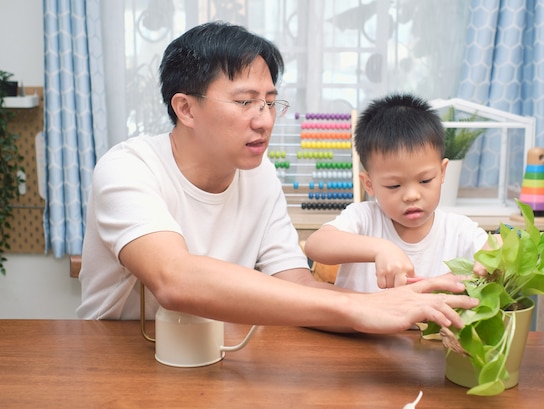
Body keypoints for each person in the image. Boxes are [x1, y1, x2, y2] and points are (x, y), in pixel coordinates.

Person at [76, 22, 477, 334]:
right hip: (120, 353)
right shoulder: (128, 168)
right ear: (185, 108)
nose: (265, 119)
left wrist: (400, 307)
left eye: (270, 102)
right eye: (245, 101)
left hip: (218, 352)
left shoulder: (260, 174)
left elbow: (295, 282)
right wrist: (359, 307)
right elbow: (174, 279)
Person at [304, 93, 489, 293]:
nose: (411, 195)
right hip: (359, 325)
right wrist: (380, 249)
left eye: (425, 180)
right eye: (394, 186)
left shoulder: (459, 231)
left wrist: (496, 252)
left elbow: (497, 253)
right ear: (369, 184)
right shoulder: (364, 218)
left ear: (442, 172)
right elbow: (316, 245)